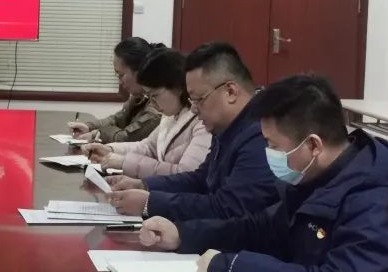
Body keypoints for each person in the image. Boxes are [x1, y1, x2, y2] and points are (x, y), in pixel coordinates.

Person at [138, 74, 388, 272]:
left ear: (313, 146)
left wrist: (232, 267)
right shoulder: (312, 176)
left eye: (273, 146)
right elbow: (262, 227)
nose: (268, 154)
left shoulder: (376, 198)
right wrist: (183, 235)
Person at [108, 42, 275, 222]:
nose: (194, 109)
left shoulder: (262, 134)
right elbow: (201, 179)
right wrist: (144, 185)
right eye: (191, 100)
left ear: (230, 92)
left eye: (199, 99)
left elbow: (227, 208)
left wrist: (150, 203)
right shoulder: (226, 127)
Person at [83, 48, 210, 178]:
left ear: (177, 87)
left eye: (155, 96)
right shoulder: (172, 114)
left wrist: (125, 162)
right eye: (149, 97)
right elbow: (148, 147)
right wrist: (110, 150)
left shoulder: (203, 122)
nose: (153, 104)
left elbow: (186, 175)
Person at [67, 37, 162, 143]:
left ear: (140, 72)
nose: (120, 82)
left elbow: (127, 137)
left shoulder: (158, 107)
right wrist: (89, 127)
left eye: (121, 75)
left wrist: (99, 134)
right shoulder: (140, 96)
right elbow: (117, 119)